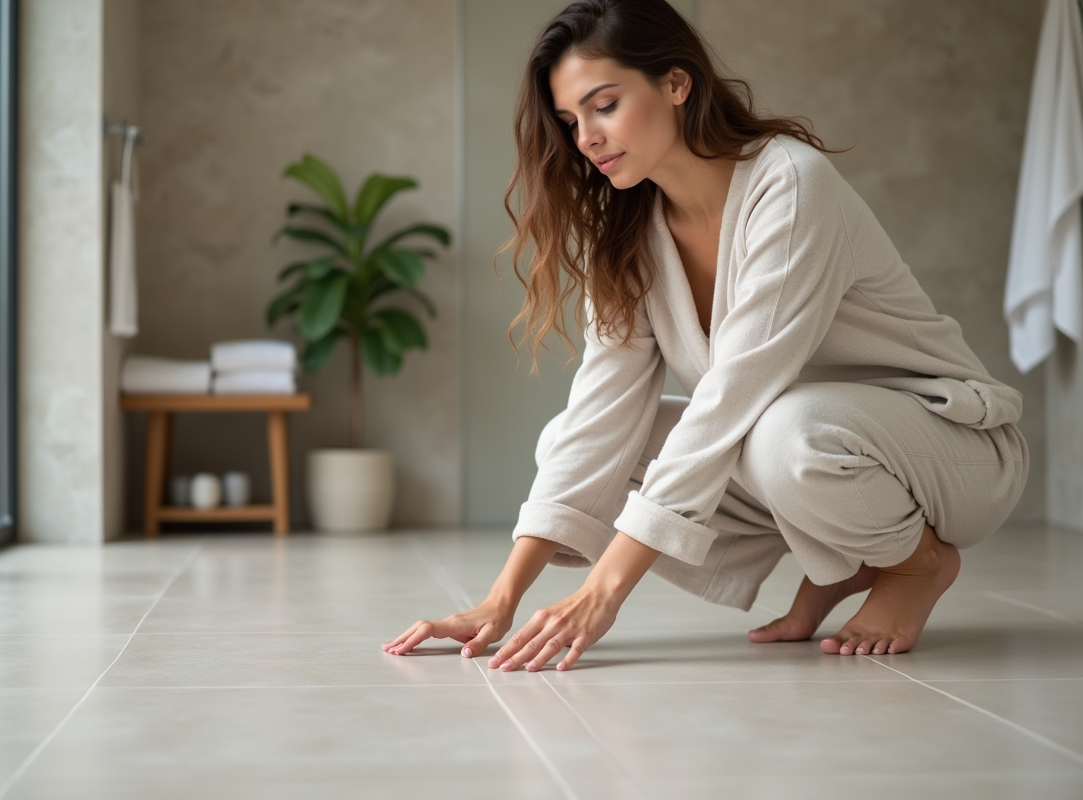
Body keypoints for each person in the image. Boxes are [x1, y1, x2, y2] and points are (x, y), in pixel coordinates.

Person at [383, 0, 1028, 670]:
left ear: (676, 83)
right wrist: (501, 599)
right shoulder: (629, 234)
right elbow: (601, 416)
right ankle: (851, 556)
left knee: (784, 432)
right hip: (811, 451)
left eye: (604, 105)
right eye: (572, 121)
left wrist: (603, 591)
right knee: (570, 441)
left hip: (952, 451)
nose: (587, 138)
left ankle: (915, 562)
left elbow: (732, 399)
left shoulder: (791, 184)